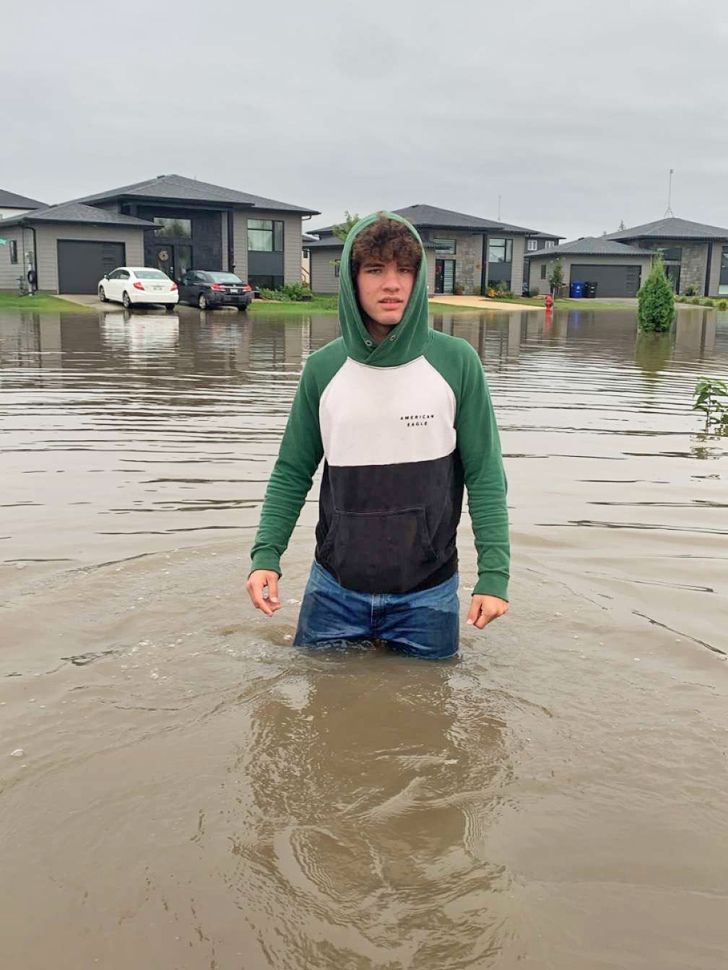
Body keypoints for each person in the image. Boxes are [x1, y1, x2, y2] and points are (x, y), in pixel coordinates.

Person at [246, 212, 509, 659]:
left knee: (429, 719)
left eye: (404, 270)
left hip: (428, 594)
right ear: (353, 279)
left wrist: (494, 577)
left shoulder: (457, 362)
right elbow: (292, 472)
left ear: (419, 276)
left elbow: (485, 475)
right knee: (319, 713)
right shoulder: (322, 370)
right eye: (375, 270)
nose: (392, 284)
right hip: (334, 590)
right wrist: (265, 556)